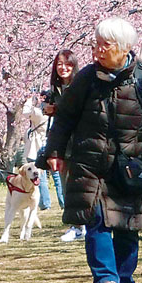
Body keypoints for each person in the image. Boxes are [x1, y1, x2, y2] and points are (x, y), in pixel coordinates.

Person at [45, 17, 142, 283]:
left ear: (123, 48)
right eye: (96, 44)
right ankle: (106, 280)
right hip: (90, 165)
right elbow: (64, 118)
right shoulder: (86, 79)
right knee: (96, 221)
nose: (98, 50)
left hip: (130, 166)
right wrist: (54, 152)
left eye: (105, 45)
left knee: (126, 226)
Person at [42, 49, 80, 238]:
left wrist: (57, 109)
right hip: (63, 144)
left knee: (81, 185)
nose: (63, 68)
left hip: (81, 142)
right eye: (59, 64)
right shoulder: (55, 90)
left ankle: (86, 224)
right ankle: (75, 225)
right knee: (66, 186)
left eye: (67, 64)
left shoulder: (80, 85)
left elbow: (76, 110)